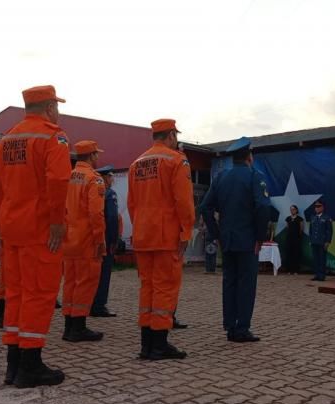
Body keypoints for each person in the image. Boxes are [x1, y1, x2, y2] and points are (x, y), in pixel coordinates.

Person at [0, 85, 71, 388]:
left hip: (12, 227)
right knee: (40, 294)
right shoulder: (52, 136)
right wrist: (57, 222)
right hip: (39, 228)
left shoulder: (6, 139)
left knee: (16, 294)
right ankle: (30, 365)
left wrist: (0, 216)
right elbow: (59, 180)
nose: (58, 112)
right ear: (49, 108)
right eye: (56, 106)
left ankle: (14, 363)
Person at [128, 118, 194, 360]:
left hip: (144, 235)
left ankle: (146, 343)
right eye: (175, 136)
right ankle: (159, 344)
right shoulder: (176, 160)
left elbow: (132, 204)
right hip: (166, 236)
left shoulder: (137, 163)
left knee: (148, 287)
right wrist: (186, 231)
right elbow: (183, 201)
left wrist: (141, 227)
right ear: (171, 136)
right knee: (165, 288)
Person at [200, 137, 271, 342]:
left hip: (227, 241)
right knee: (246, 283)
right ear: (249, 157)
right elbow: (263, 207)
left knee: (229, 282)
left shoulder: (221, 177)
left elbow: (205, 207)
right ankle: (242, 328)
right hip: (248, 240)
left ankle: (230, 326)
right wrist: (260, 236)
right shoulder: (254, 176)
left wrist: (216, 234)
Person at [62, 140, 106, 341]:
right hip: (86, 239)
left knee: (70, 282)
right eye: (97, 154)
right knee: (86, 282)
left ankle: (69, 326)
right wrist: (99, 239)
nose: (98, 158)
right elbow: (96, 213)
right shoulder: (93, 178)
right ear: (92, 156)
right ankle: (78, 327)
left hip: (68, 238)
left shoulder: (68, 176)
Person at [90, 165, 119, 318]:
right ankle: (99, 305)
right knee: (104, 273)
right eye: (111, 176)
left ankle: (89, 303)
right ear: (106, 178)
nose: (112, 179)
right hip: (106, 238)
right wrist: (114, 240)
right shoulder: (109, 194)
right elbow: (113, 218)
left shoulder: (93, 192)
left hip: (91, 238)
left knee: (91, 273)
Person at [308, 200, 332, 281]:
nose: (317, 208)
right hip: (314, 241)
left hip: (322, 242)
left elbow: (329, 231)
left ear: (322, 207)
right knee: (315, 259)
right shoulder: (313, 217)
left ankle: (321, 275)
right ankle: (316, 275)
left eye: (319, 206)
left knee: (322, 259)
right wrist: (310, 240)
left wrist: (328, 241)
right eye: (316, 206)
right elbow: (310, 230)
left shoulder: (326, 218)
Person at [283, 205, 303, 274]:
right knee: (289, 254)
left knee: (296, 254)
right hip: (289, 239)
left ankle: (296, 270)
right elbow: (287, 228)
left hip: (296, 239)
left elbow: (301, 229)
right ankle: (289, 270)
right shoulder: (288, 218)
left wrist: (298, 237)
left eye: (293, 209)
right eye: (291, 209)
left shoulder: (300, 219)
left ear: (296, 210)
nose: (292, 211)